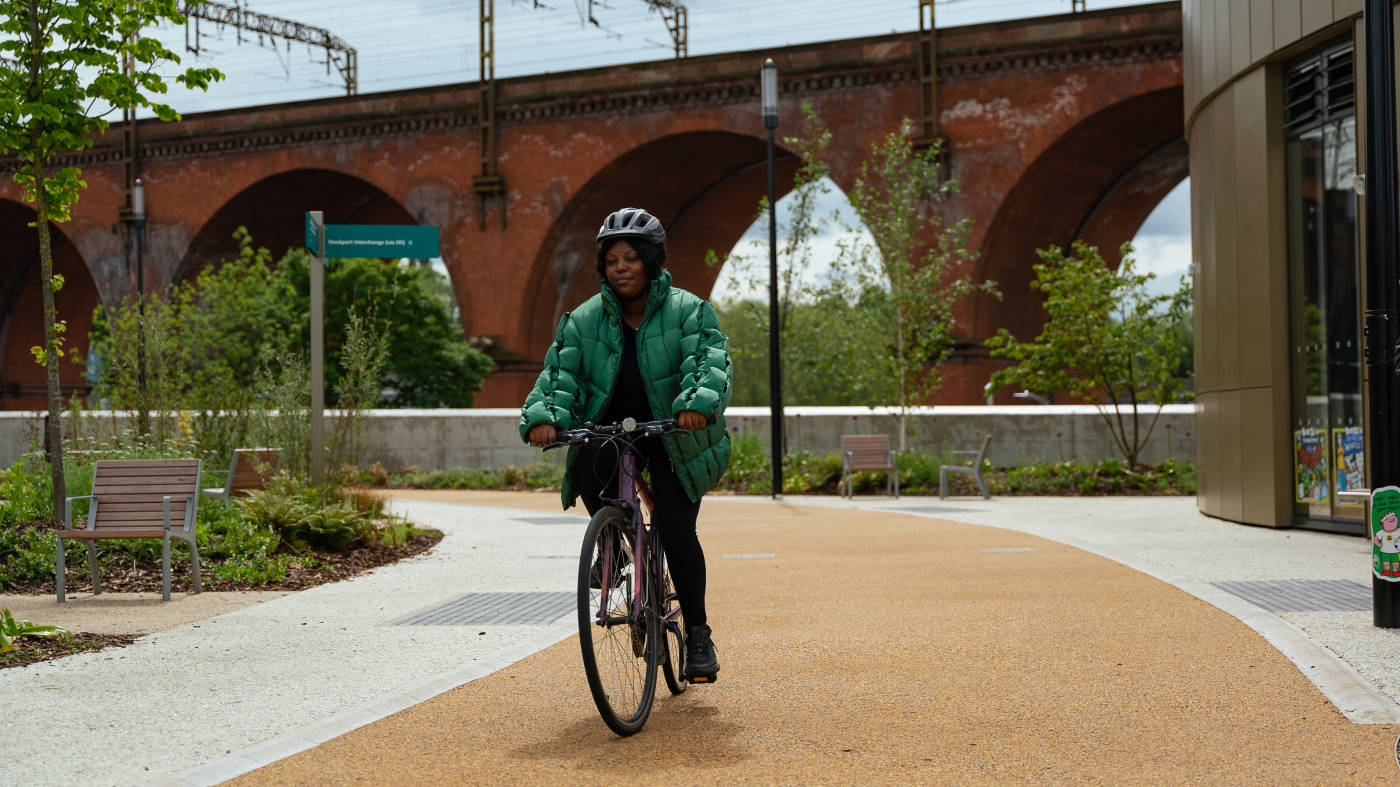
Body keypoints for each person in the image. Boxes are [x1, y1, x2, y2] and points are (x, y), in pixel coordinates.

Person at [520, 207, 733, 683]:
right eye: (612, 259)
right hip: (613, 431)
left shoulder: (689, 310)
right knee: (591, 460)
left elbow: (709, 361)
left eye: (631, 258)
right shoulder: (583, 320)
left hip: (676, 435)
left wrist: (696, 404)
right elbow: (560, 377)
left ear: (651, 262)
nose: (620, 267)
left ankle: (698, 635)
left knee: (677, 529)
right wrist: (544, 419)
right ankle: (614, 543)